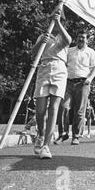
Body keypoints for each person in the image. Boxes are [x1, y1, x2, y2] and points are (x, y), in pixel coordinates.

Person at [32, 10, 72, 159]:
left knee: (54, 108)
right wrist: (41, 43)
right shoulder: (43, 35)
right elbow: (33, 52)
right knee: (40, 110)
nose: (54, 21)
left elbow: (69, 41)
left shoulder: (63, 36)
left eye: (58, 18)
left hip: (59, 70)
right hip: (43, 69)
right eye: (53, 18)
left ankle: (46, 146)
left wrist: (59, 23)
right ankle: (41, 135)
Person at [57, 30, 95, 146]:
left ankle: (76, 136)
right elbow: (62, 64)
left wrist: (90, 78)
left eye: (83, 38)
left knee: (79, 111)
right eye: (79, 37)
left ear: (87, 40)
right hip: (68, 83)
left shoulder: (91, 52)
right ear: (76, 38)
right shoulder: (69, 51)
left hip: (83, 83)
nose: (81, 39)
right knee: (63, 107)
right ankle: (63, 134)